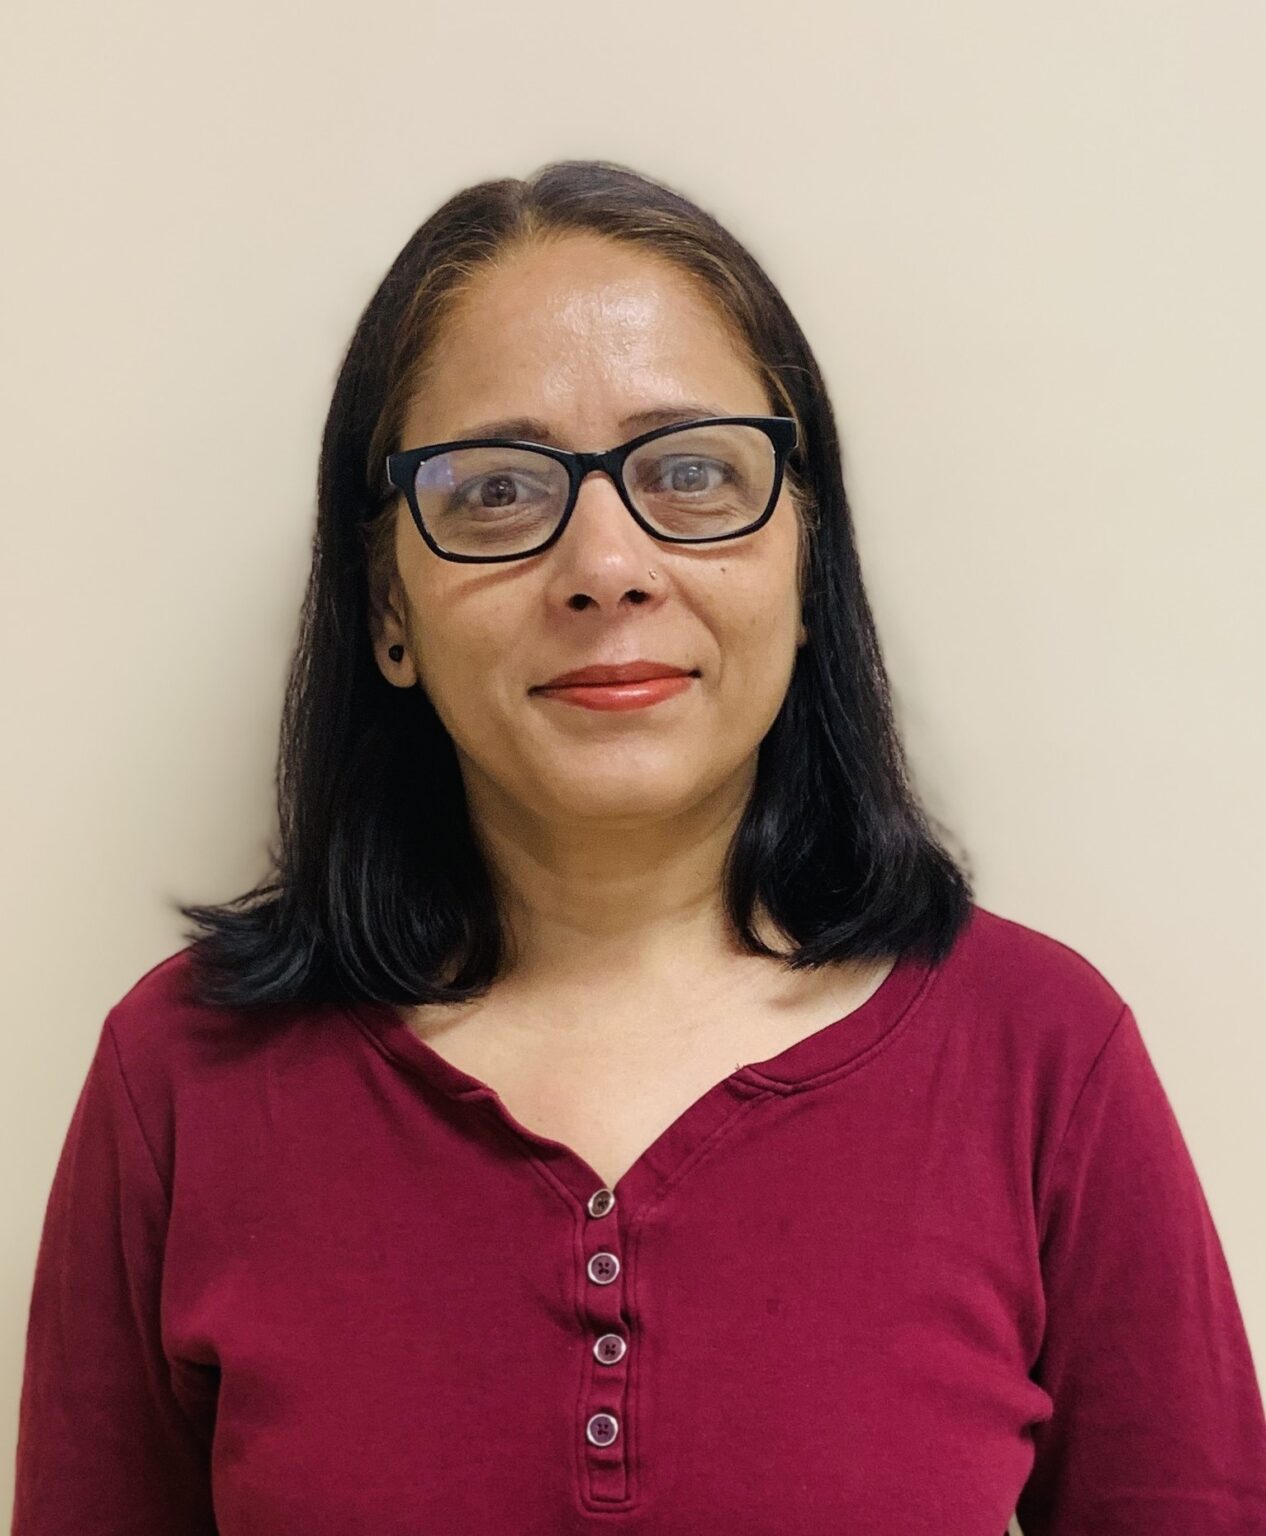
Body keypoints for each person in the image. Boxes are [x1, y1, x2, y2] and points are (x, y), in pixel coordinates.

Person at [12, 160, 1266, 1535]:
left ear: (804, 566)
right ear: (388, 607)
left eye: (692, 472)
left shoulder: (1040, 1059)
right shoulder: (180, 1081)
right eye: (496, 490)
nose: (606, 567)